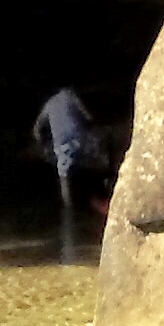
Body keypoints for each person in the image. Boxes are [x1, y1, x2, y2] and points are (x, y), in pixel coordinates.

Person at [30, 86, 107, 253]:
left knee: (69, 207)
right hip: (84, 150)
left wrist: (46, 148)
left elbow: (37, 130)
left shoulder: (49, 105)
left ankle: (71, 239)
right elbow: (88, 118)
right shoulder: (70, 96)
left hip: (64, 155)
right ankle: (100, 226)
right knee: (95, 186)